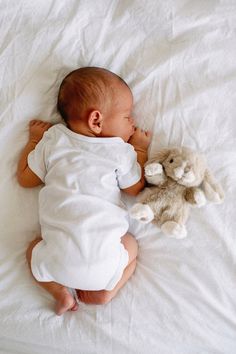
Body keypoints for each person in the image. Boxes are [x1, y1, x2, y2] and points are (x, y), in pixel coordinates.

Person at [17, 67, 151, 315]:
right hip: (105, 262)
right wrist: (140, 149)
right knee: (131, 243)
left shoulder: (54, 139)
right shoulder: (119, 151)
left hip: (57, 260)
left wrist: (34, 140)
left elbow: (25, 179)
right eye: (126, 116)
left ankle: (59, 293)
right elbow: (136, 188)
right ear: (96, 121)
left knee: (32, 249)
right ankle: (107, 292)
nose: (132, 123)